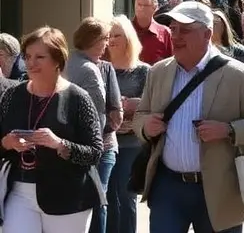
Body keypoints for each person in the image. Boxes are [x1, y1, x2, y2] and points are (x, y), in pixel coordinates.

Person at [133, 1, 244, 233]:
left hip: (219, 190)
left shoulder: (236, 74)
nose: (176, 36)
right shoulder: (159, 71)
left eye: (185, 29)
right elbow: (141, 115)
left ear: (207, 34)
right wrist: (145, 127)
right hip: (168, 188)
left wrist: (229, 130)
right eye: (173, 29)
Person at [0, 26, 104, 232]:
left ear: (58, 60)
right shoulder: (12, 95)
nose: (31, 63)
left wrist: (59, 144)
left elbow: (95, 152)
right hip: (19, 190)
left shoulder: (78, 98)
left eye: (40, 57)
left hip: (68, 195)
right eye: (28, 56)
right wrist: (7, 143)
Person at [65, 17, 122, 233]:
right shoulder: (89, 69)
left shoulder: (68, 62)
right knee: (98, 200)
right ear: (92, 40)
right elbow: (98, 117)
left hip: (72, 146)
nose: (107, 44)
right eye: (104, 39)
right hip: (97, 148)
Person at [107, 15, 151, 233]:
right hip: (107, 142)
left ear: (129, 39)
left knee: (126, 196)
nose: (112, 40)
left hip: (132, 143)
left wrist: (136, 104)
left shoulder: (144, 71)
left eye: (117, 35)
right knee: (107, 197)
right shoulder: (102, 69)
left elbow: (156, 105)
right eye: (109, 36)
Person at [133, 0, 173, 65]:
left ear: (154, 7)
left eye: (145, 5)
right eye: (139, 4)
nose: (141, 8)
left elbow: (172, 64)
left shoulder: (165, 33)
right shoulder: (125, 31)